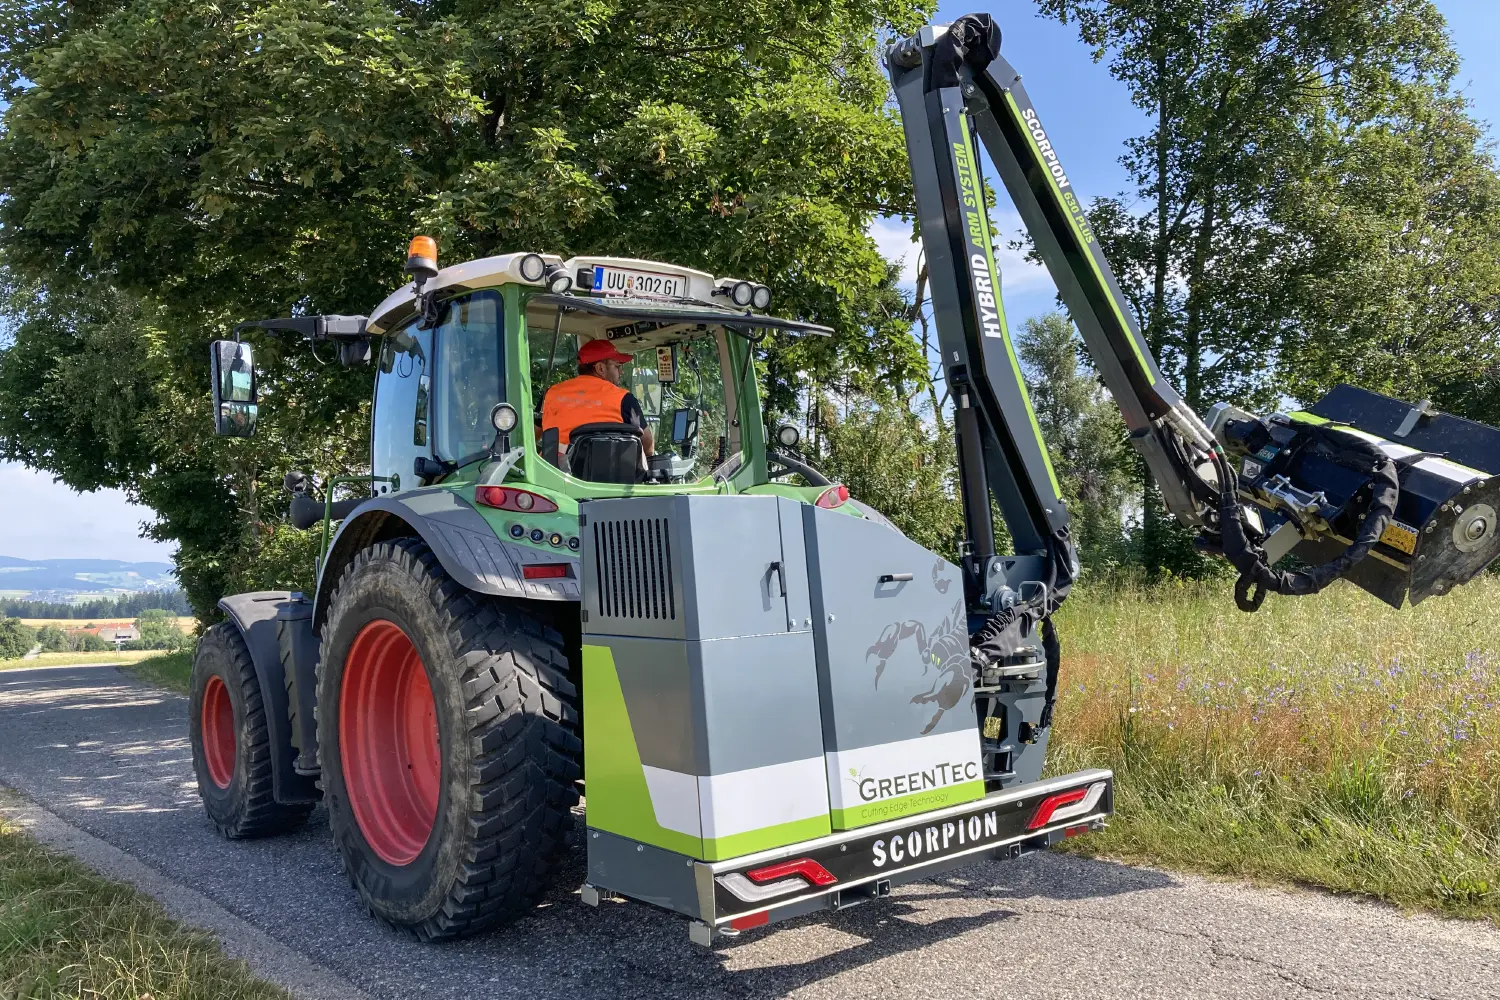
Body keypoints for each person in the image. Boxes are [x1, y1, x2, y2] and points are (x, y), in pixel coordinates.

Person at [541, 338, 655, 455]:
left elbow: (529, 435)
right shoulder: (624, 399)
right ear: (600, 368)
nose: (621, 372)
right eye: (617, 366)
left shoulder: (551, 393)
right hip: (608, 471)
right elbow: (647, 445)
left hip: (552, 471)